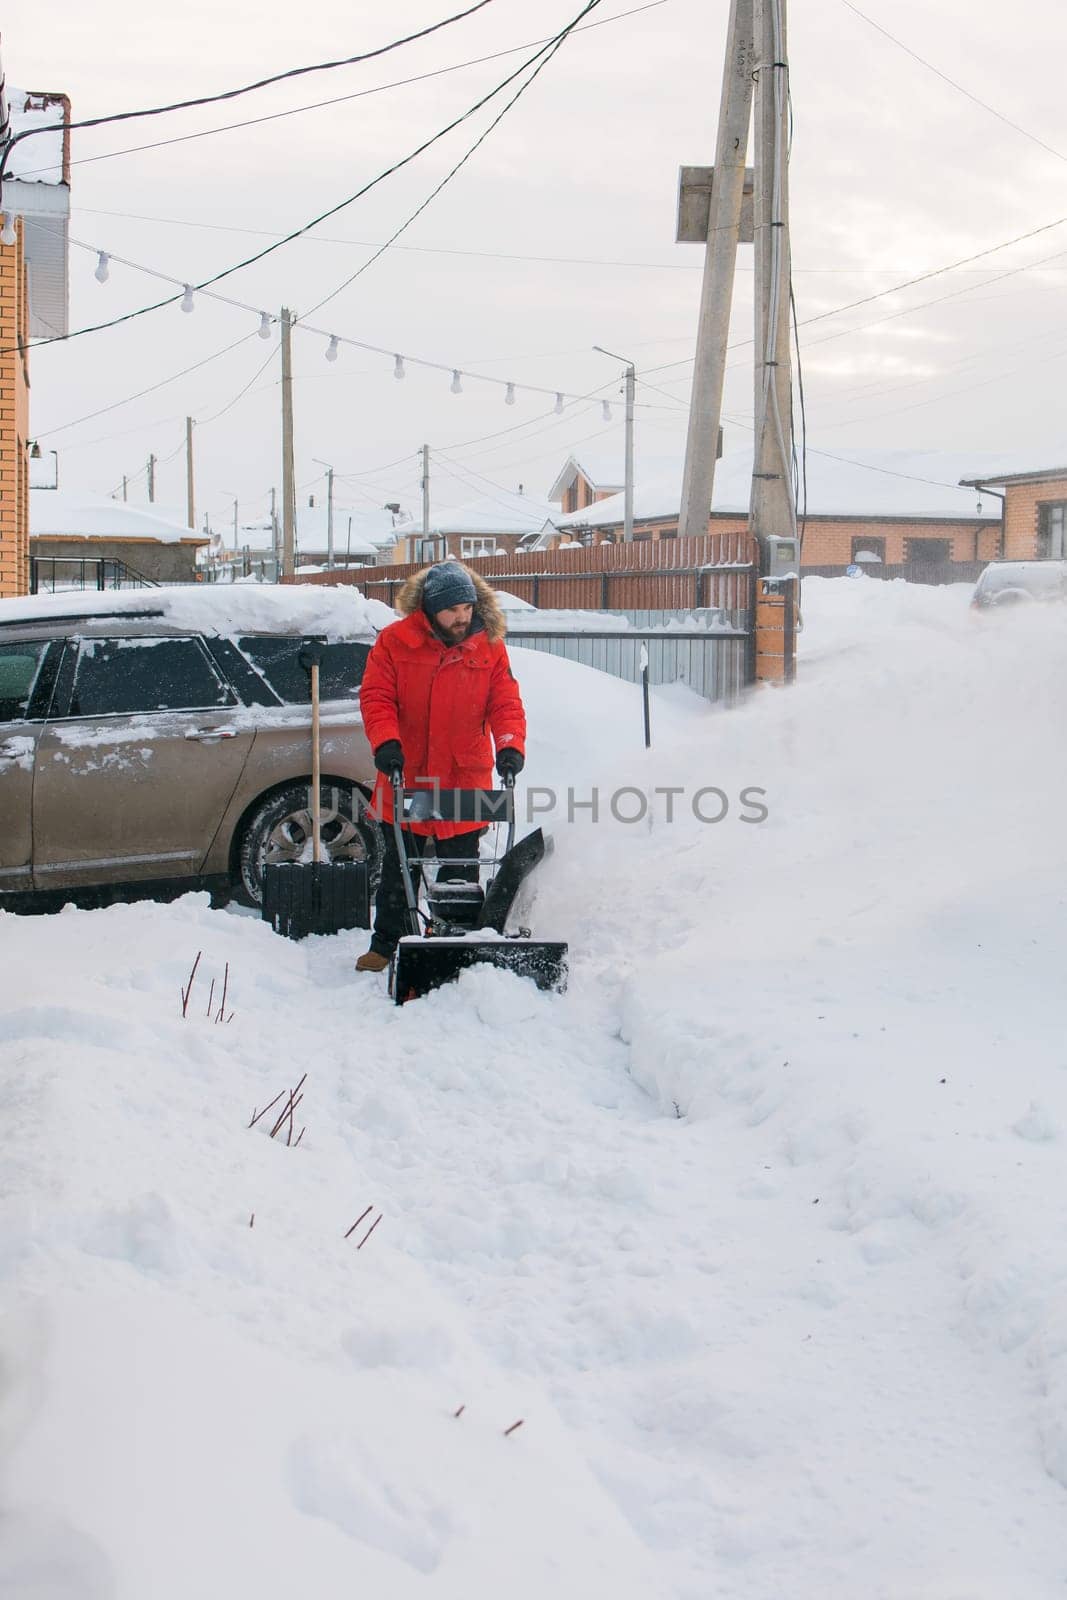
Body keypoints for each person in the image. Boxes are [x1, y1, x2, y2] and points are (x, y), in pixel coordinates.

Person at [355, 560, 526, 973]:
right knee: (399, 869)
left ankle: (453, 942)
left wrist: (509, 746)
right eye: (452, 610)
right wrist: (386, 742)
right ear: (430, 609)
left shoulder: (489, 645)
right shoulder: (395, 642)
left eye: (467, 608)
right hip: (406, 771)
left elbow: (505, 702)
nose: (461, 618)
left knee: (461, 871)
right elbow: (376, 697)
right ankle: (387, 943)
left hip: (463, 775)